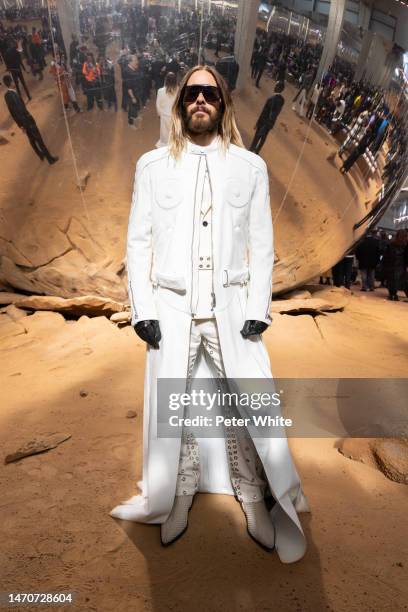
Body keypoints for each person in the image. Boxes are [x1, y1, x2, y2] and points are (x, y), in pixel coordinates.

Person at [110, 65, 309, 564]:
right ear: (181, 105)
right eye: (192, 93)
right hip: (172, 310)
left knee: (246, 406)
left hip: (233, 310)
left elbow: (263, 244)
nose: (201, 100)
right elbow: (137, 243)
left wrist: (260, 306)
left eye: (210, 93)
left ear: (223, 104)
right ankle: (179, 492)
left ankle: (252, 493)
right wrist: (143, 309)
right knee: (176, 409)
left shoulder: (250, 167)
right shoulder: (151, 166)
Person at [2, 74, 58, 164]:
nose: (15, 82)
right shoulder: (13, 95)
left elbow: (12, 113)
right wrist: (27, 121)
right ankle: (50, 158)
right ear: (11, 82)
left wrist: (20, 125)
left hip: (23, 123)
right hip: (27, 121)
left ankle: (40, 154)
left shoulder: (7, 96)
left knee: (32, 139)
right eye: (13, 81)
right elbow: (20, 110)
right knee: (39, 139)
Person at [250, 81, 285, 155]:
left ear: (279, 88)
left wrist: (259, 123)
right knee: (263, 138)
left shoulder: (272, 99)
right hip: (270, 123)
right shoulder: (282, 100)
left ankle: (251, 150)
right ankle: (257, 151)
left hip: (264, 122)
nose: (274, 87)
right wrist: (270, 124)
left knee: (257, 137)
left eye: (276, 86)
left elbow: (266, 112)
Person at [382, 230, 408, 301]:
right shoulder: (405, 245)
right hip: (401, 266)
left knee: (392, 281)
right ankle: (394, 295)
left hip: (391, 266)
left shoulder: (391, 244)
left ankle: (392, 295)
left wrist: (384, 265)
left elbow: (386, 256)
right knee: (403, 281)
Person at [155, 71, 177, 147]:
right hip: (175, 115)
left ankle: (164, 146)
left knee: (164, 133)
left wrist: (159, 114)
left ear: (166, 80)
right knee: (174, 132)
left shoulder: (160, 91)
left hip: (164, 115)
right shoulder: (179, 90)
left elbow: (158, 104)